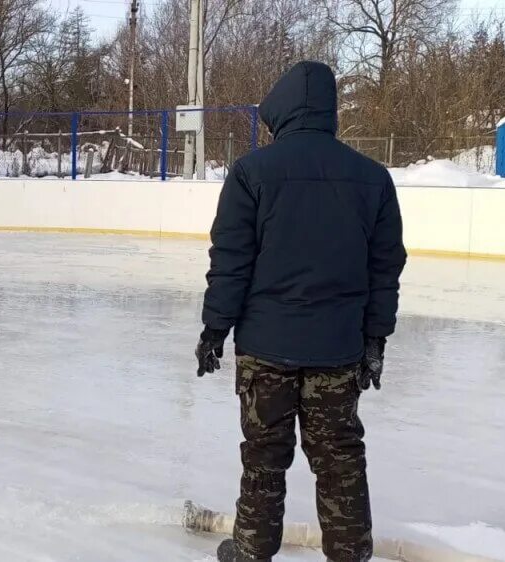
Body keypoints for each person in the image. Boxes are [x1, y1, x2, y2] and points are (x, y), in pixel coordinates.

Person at [194, 61, 407, 562]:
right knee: (340, 461)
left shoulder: (251, 173)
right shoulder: (372, 179)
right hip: (337, 351)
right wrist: (375, 340)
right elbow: (385, 269)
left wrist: (214, 328)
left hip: (265, 350)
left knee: (264, 457)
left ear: (284, 108)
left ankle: (251, 551)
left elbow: (231, 261)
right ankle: (349, 554)